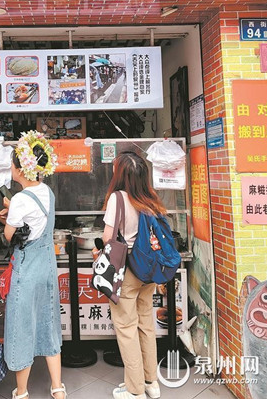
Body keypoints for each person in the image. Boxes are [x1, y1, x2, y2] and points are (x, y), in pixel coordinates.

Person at [0, 131, 65, 399]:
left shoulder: (20, 199)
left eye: (12, 164)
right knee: (49, 322)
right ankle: (57, 387)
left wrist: (7, 215)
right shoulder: (48, 191)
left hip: (26, 269)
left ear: (20, 169)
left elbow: (9, 236)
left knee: (22, 325)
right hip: (47, 267)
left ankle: (22, 391)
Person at [102, 151, 163, 399]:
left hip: (126, 270)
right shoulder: (150, 198)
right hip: (148, 269)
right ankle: (151, 383)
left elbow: (108, 237)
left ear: (121, 174)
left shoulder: (117, 198)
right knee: (146, 325)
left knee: (126, 327)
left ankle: (135, 390)